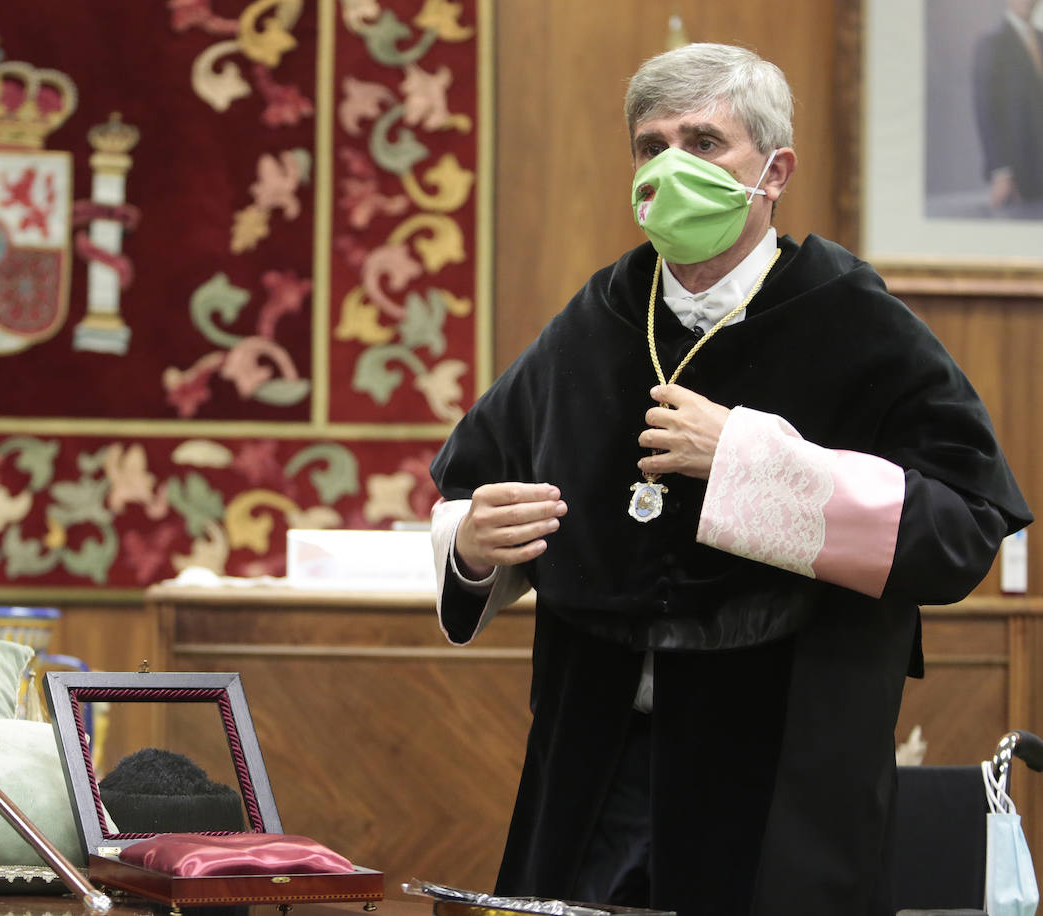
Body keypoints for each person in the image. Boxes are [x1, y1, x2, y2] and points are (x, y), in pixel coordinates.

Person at [428, 42, 1033, 916]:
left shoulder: (857, 321)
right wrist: (476, 546)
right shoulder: (596, 319)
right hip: (597, 761)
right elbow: (473, 496)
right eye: (650, 146)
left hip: (780, 768)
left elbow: (965, 527)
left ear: (775, 170)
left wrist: (751, 463)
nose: (671, 168)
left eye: (703, 143)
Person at [971, 0, 1043, 211]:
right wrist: (1001, 171)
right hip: (1019, 173)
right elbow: (986, 110)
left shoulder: (1041, 38)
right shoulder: (992, 43)